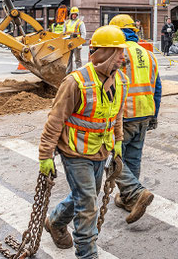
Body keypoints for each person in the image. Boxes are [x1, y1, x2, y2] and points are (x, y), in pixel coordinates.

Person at [40, 26, 129, 258]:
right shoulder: (75, 82)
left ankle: (56, 222)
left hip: (100, 150)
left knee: (85, 195)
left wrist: (117, 141)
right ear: (104, 53)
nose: (123, 56)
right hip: (74, 151)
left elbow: (117, 115)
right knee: (88, 204)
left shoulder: (120, 80)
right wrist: (45, 156)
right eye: (118, 51)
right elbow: (55, 120)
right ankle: (87, 254)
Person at [109, 14, 161, 224]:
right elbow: (157, 88)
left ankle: (136, 192)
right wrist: (154, 115)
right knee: (133, 158)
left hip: (124, 115)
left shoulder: (117, 53)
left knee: (110, 158)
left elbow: (108, 85)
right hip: (144, 113)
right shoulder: (148, 54)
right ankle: (127, 199)